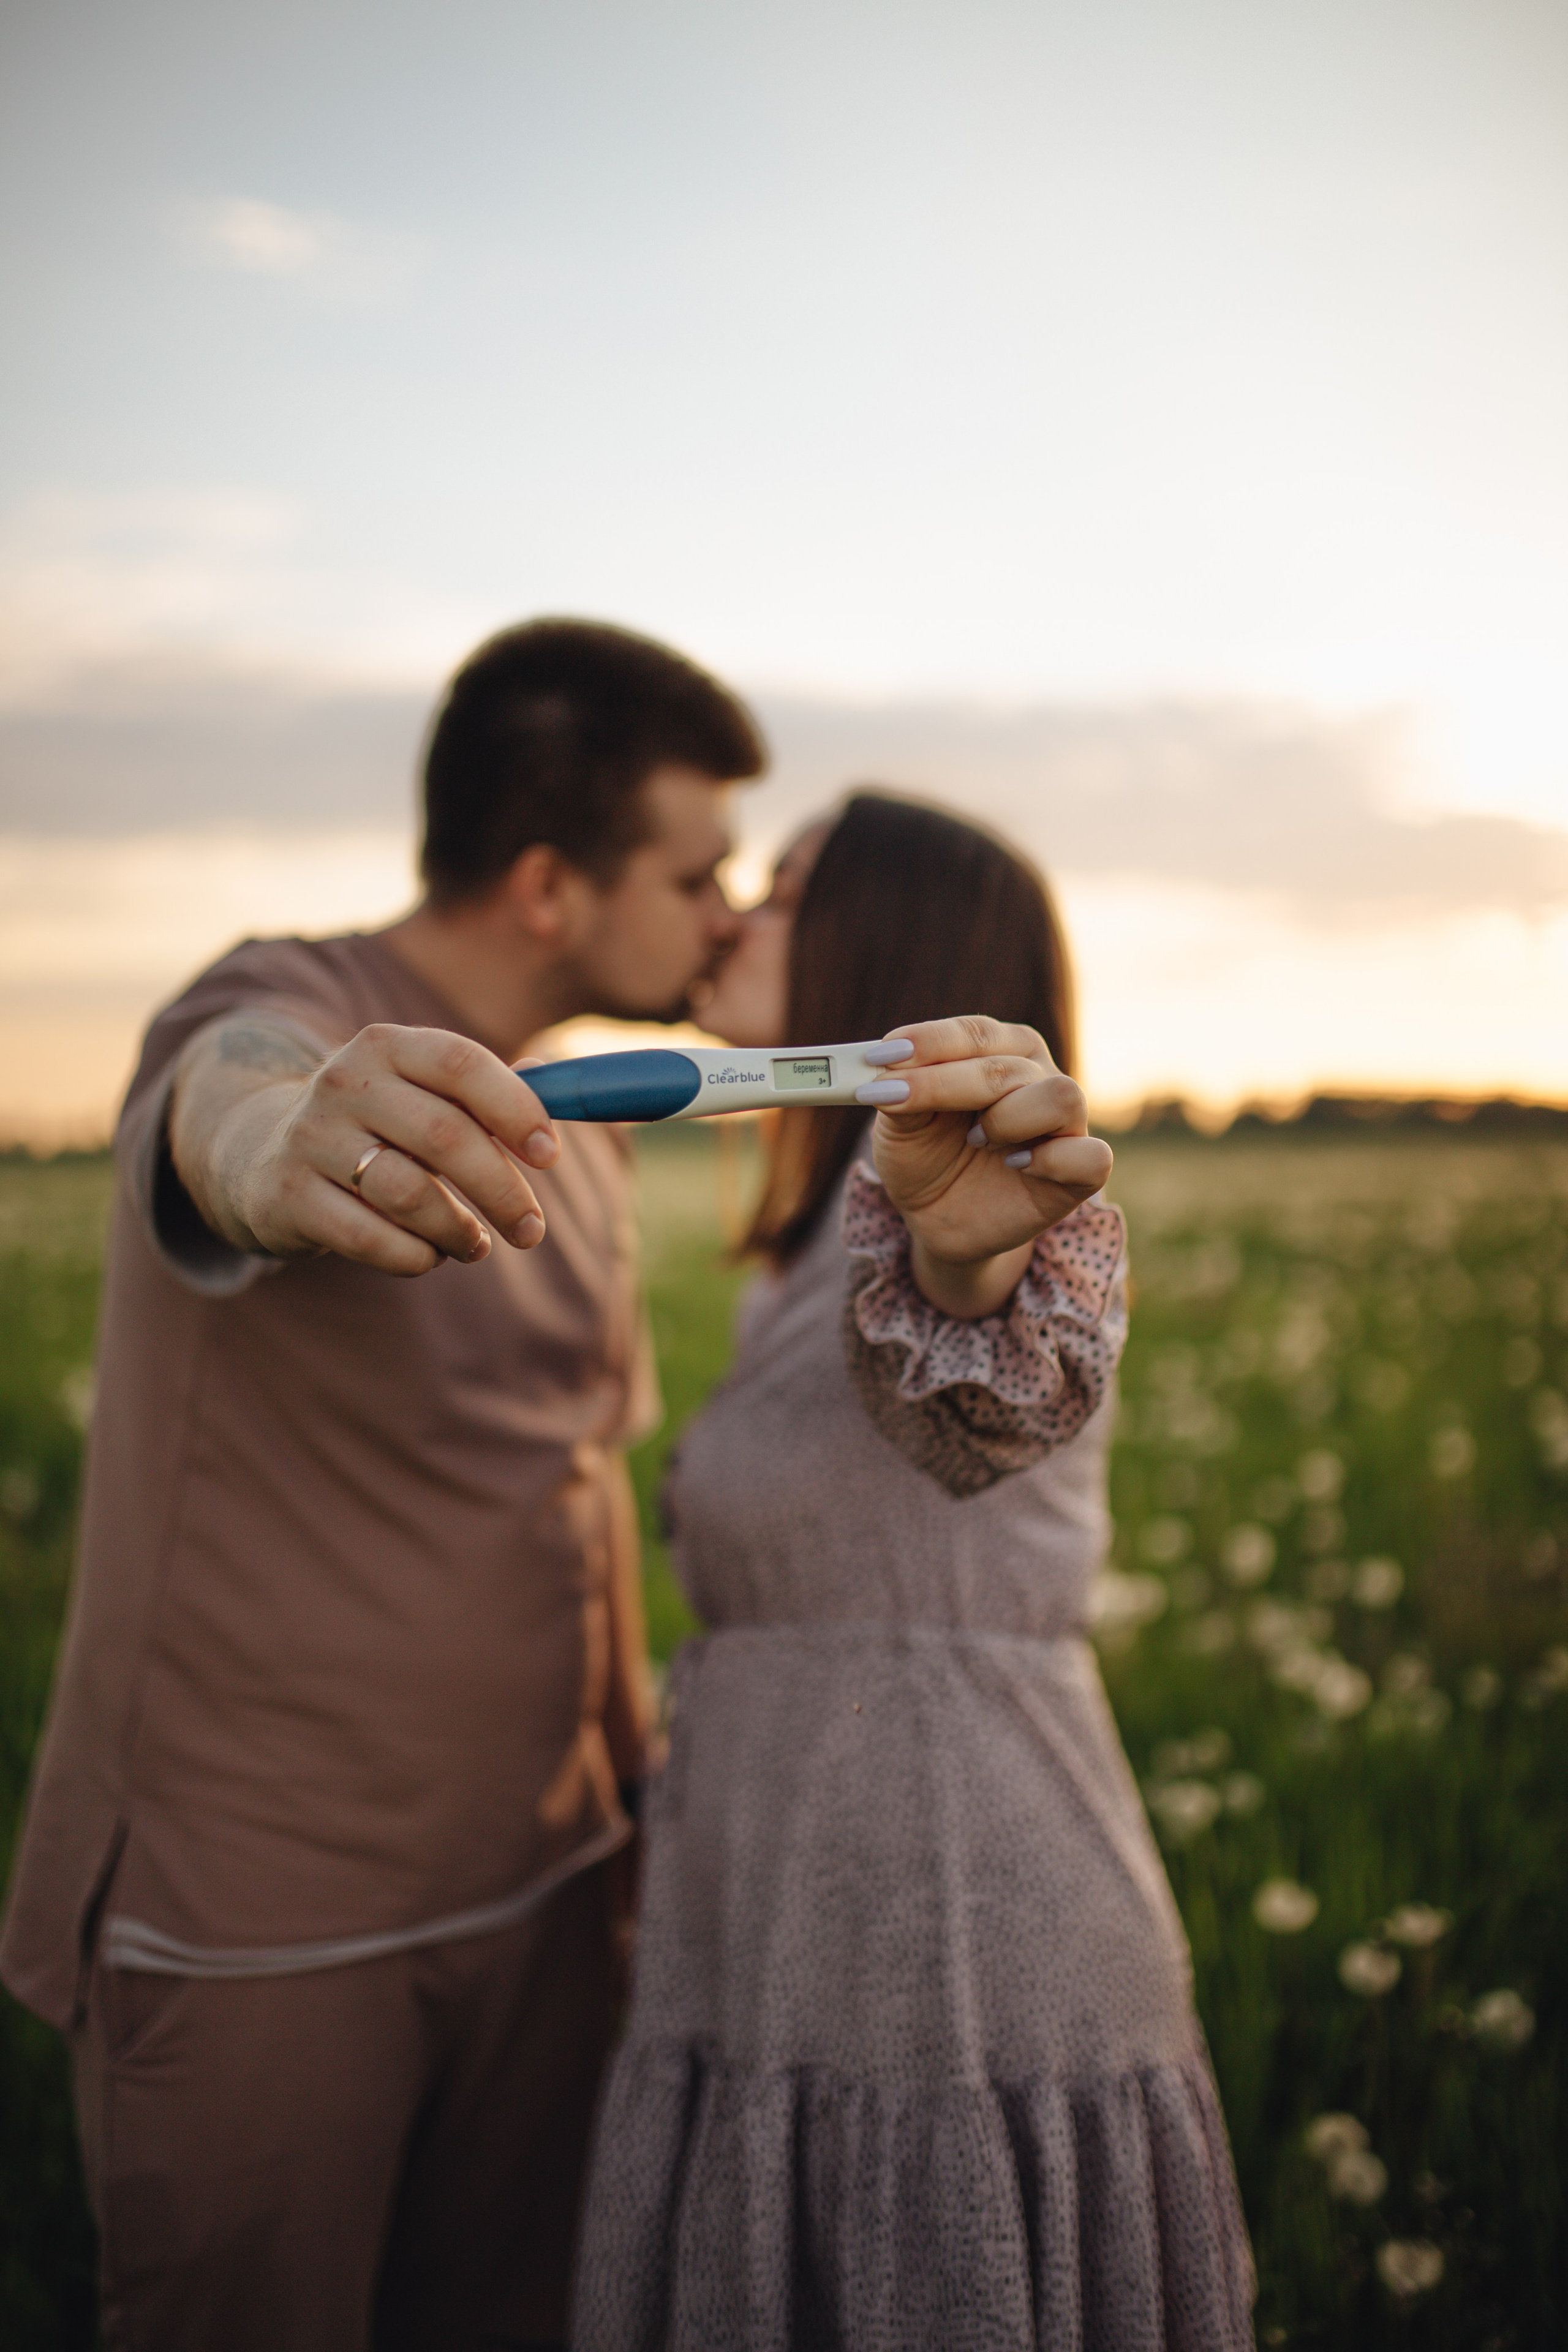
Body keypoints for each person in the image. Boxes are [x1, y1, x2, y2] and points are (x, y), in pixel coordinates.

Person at [0, 618, 766, 2352]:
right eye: (701, 871)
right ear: (554, 885)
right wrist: (278, 1145)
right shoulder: (298, 1010)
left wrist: (626, 1840)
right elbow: (228, 1100)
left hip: (555, 1903)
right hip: (273, 1933)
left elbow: (562, 1494)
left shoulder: (579, 1112)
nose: (730, 912)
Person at [572, 793, 1256, 2351]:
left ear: (893, 945)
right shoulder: (801, 1256)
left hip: (947, 1958)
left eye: (788, 887)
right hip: (777, 1934)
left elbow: (976, 1361)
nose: (734, 914)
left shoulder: (952, 1228)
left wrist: (961, 1249)